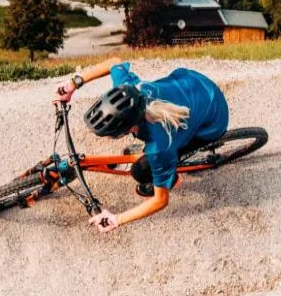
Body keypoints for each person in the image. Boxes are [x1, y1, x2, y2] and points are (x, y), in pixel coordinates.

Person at [53, 57, 229, 233]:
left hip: (214, 120)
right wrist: (72, 84)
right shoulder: (129, 89)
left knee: (140, 171)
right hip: (194, 83)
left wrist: (117, 219)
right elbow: (114, 62)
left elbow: (160, 201)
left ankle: (173, 176)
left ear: (129, 129)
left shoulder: (160, 146)